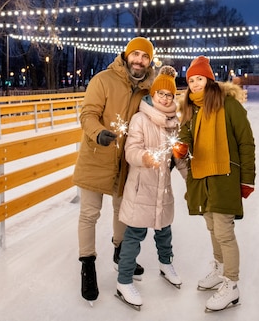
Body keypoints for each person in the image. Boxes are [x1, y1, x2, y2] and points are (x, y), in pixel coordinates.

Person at [73, 37, 155, 303]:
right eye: (136, 55)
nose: (139, 60)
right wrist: (99, 134)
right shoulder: (103, 80)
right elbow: (87, 114)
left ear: (149, 61)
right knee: (89, 213)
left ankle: (121, 253)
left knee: (124, 209)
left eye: (144, 56)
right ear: (126, 56)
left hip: (126, 161)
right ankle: (88, 264)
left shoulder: (148, 90)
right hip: (98, 154)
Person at [176, 55, 255, 312]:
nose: (195, 84)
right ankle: (220, 268)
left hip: (225, 176)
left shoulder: (229, 105)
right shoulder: (191, 108)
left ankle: (231, 285)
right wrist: (181, 145)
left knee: (223, 231)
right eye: (191, 80)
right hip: (201, 176)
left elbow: (246, 142)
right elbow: (185, 134)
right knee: (211, 226)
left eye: (199, 79)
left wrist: (247, 180)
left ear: (209, 80)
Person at [116, 66, 186, 309]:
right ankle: (124, 280)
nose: (166, 98)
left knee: (164, 230)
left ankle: (166, 263)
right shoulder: (140, 119)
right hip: (140, 187)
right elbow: (130, 151)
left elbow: (179, 157)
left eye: (170, 95)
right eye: (161, 94)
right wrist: (144, 157)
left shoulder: (174, 122)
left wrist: (192, 180)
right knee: (134, 235)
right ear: (153, 94)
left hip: (162, 188)